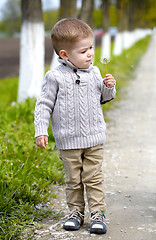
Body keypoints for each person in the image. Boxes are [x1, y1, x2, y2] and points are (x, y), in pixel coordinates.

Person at [34, 18, 116, 234]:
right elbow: (43, 105)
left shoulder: (96, 72)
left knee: (93, 177)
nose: (90, 53)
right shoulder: (55, 77)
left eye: (91, 48)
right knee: (73, 180)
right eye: (83, 51)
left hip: (94, 138)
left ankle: (98, 213)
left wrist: (109, 87)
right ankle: (76, 212)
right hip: (68, 140)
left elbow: (103, 98)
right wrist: (40, 130)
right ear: (64, 55)